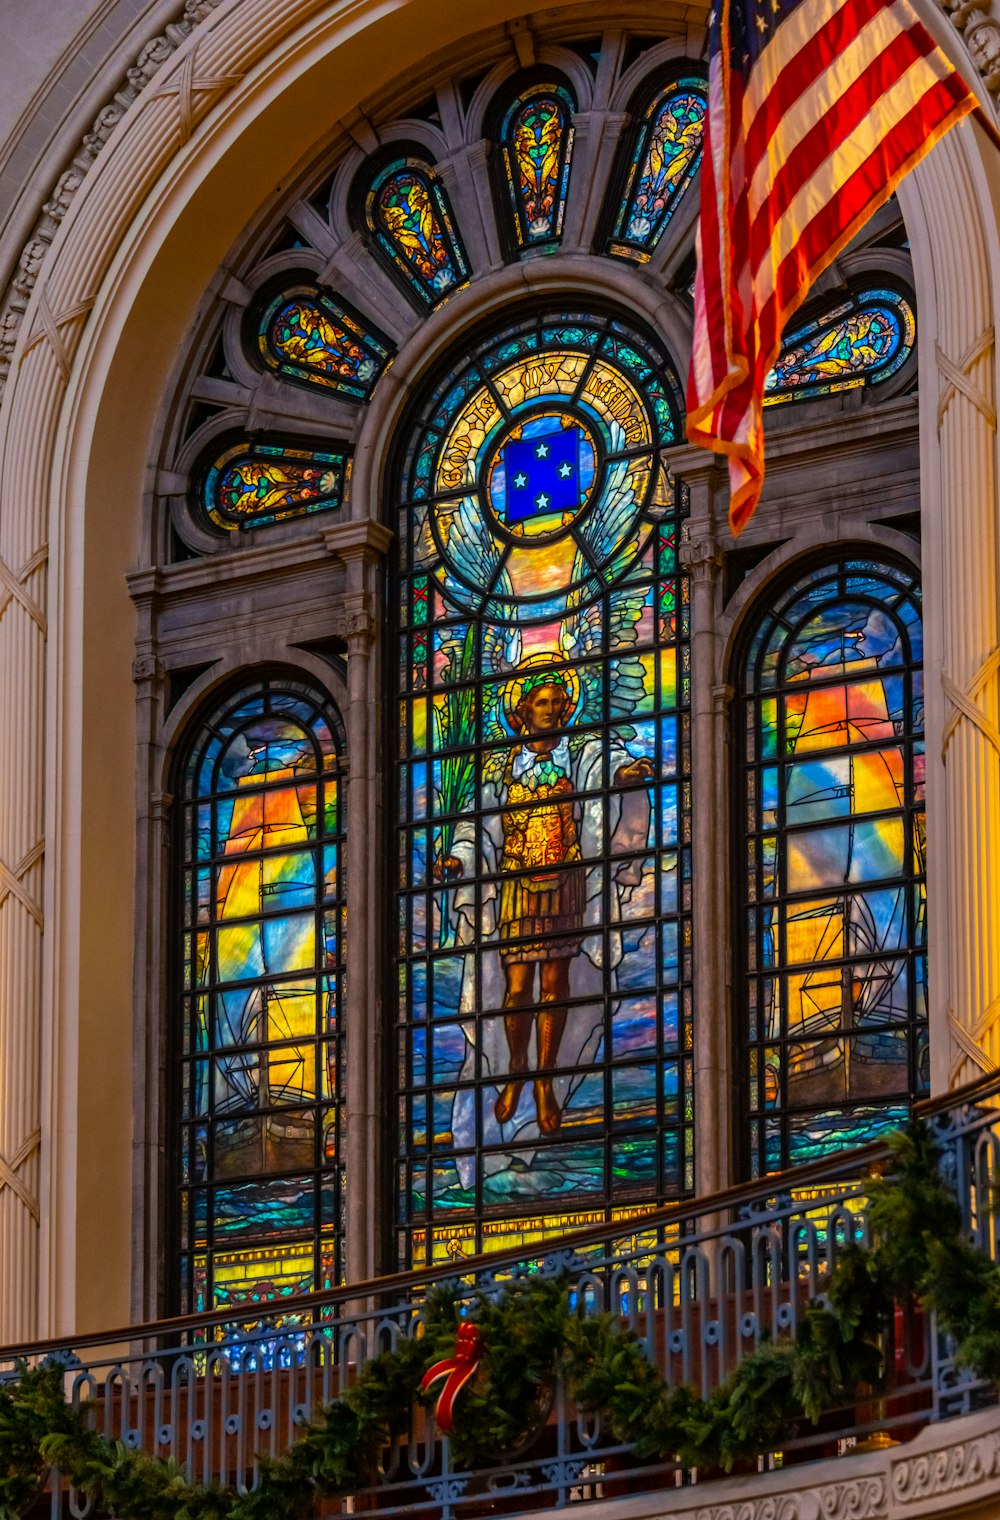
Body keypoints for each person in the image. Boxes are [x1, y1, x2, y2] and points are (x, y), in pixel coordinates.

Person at [435, 661, 652, 1135]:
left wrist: (626, 773)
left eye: (558, 702)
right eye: (541, 703)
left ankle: (546, 1081)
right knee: (517, 989)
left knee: (556, 985)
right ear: (522, 713)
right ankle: (516, 1071)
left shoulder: (580, 755)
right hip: (516, 882)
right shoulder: (500, 767)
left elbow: (604, 768)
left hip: (566, 881)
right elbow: (478, 827)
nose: (551, 710)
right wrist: (458, 859)